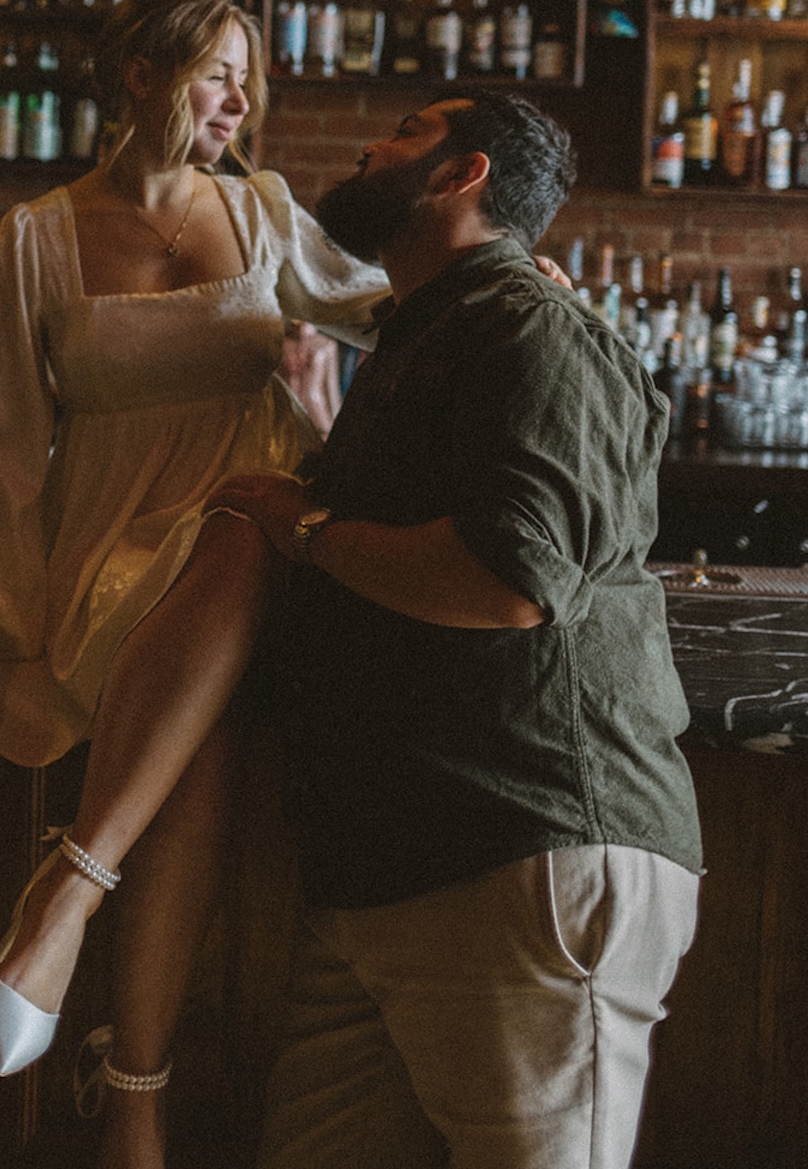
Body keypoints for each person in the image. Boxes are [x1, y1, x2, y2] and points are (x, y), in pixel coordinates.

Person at [0, 0, 386, 1169]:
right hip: (103, 567)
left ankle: (67, 898)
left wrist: (513, 279)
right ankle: (133, 1095)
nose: (239, 100)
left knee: (237, 520)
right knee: (201, 735)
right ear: (139, 76)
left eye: (246, 79)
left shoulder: (265, 213)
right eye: (215, 73)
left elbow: (395, 305)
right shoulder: (39, 235)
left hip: (249, 543)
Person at [206, 90, 703, 1169]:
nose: (366, 145)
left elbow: (510, 577)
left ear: (459, 176)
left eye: (404, 133)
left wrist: (303, 525)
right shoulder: (433, 329)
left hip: (520, 839)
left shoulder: (524, 322)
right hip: (393, 856)